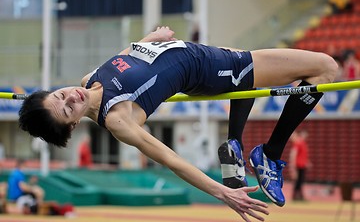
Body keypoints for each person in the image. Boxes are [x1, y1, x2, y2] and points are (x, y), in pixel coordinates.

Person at [18, 26, 338, 221]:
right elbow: (171, 160)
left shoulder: (90, 80)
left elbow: (128, 55)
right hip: (213, 68)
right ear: (73, 125)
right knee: (325, 69)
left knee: (249, 73)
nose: (70, 97)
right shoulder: (117, 118)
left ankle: (235, 143)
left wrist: (152, 39)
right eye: (66, 109)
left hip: (201, 55)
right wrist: (222, 194)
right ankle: (269, 153)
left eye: (60, 94)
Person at [289, 130, 310, 201]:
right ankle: (296, 196)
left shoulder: (301, 143)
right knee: (298, 181)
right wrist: (293, 167)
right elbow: (293, 155)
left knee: (300, 181)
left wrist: (307, 162)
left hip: (301, 165)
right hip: (298, 165)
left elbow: (302, 155)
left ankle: (298, 196)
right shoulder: (298, 143)